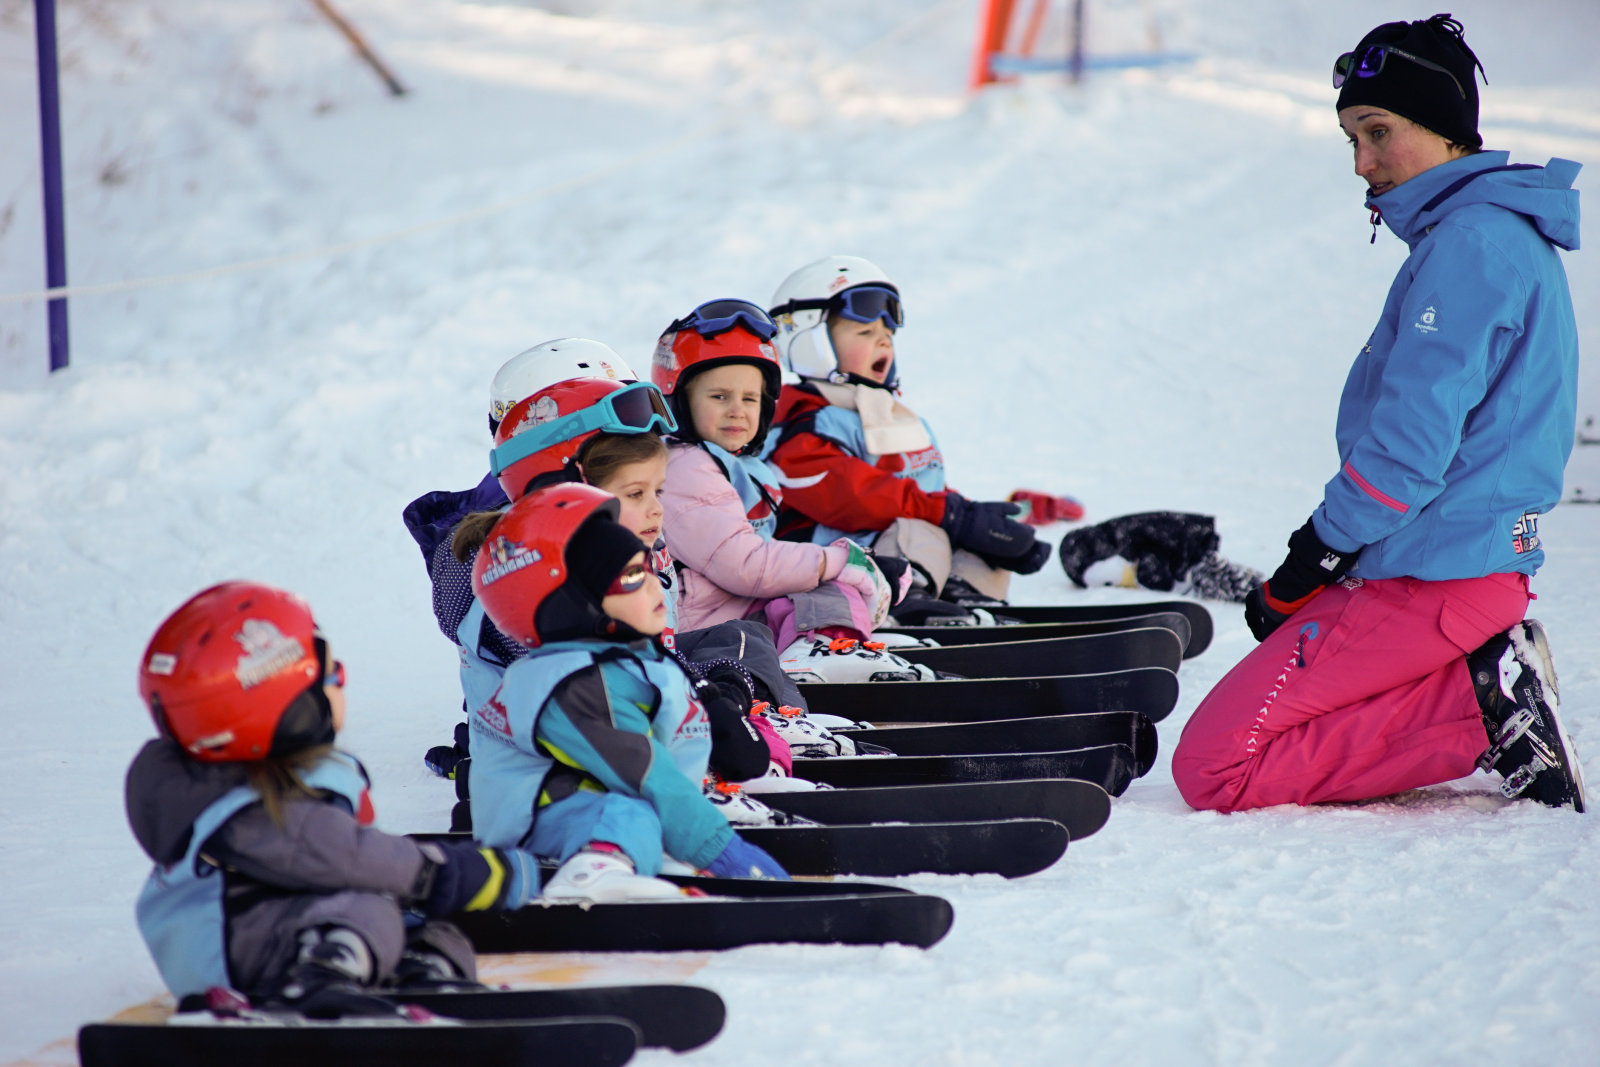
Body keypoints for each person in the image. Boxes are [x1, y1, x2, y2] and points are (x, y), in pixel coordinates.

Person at [1172, 14, 1585, 814]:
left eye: (1378, 131)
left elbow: (1408, 448)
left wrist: (1315, 553)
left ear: (1444, 129)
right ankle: (1476, 684)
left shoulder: (1471, 245)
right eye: (1350, 140)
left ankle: (1485, 709)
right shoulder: (1488, 236)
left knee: (1217, 765)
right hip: (1451, 568)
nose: (1361, 163)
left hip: (1436, 577)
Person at [128, 582, 537, 1018]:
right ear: (281, 703)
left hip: (265, 934)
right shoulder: (258, 812)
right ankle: (316, 988)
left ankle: (423, 978)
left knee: (427, 928)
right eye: (330, 675)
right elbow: (352, 856)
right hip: (238, 951)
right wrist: (453, 872)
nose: (341, 681)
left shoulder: (241, 790)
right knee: (367, 908)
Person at [465, 483, 790, 899]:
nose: (656, 588)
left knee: (639, 814)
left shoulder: (625, 660)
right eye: (632, 578)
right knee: (629, 808)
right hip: (540, 827)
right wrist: (723, 851)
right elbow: (651, 776)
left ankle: (631, 855)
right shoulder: (576, 685)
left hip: (600, 808)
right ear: (575, 604)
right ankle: (594, 873)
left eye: (648, 570)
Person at [652, 298, 927, 686]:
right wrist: (843, 561)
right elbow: (746, 566)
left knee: (819, 583)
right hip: (704, 630)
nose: (737, 410)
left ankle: (842, 639)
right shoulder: (685, 467)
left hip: (730, 616)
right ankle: (820, 648)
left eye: (750, 398)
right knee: (823, 581)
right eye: (719, 397)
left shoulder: (731, 466)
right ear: (679, 401)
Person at [763, 256, 1051, 624]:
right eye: (865, 333)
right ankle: (907, 599)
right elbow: (847, 494)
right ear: (811, 342)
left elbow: (924, 491)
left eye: (887, 335)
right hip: (832, 571)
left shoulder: (892, 416)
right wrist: (949, 514)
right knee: (919, 523)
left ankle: (965, 601)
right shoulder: (800, 418)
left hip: (902, 555)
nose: (883, 341)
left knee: (963, 535)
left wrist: (975, 521)